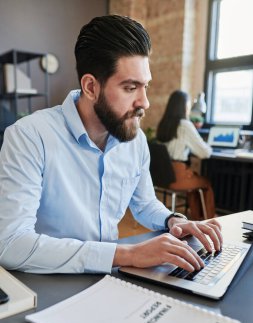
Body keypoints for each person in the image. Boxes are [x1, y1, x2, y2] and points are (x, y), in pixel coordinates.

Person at [0, 15, 222, 275]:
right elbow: (11, 244)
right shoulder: (29, 136)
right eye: (130, 88)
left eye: (145, 87)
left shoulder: (135, 140)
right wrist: (127, 254)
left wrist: (173, 220)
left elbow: (144, 204)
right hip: (47, 282)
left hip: (110, 277)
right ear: (91, 86)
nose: (145, 103)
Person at [156, 90, 216, 220]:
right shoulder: (185, 125)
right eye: (188, 104)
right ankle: (210, 220)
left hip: (162, 176)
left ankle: (197, 218)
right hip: (177, 175)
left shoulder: (163, 124)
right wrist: (210, 146)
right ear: (184, 106)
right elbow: (204, 153)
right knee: (206, 183)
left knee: (194, 184)